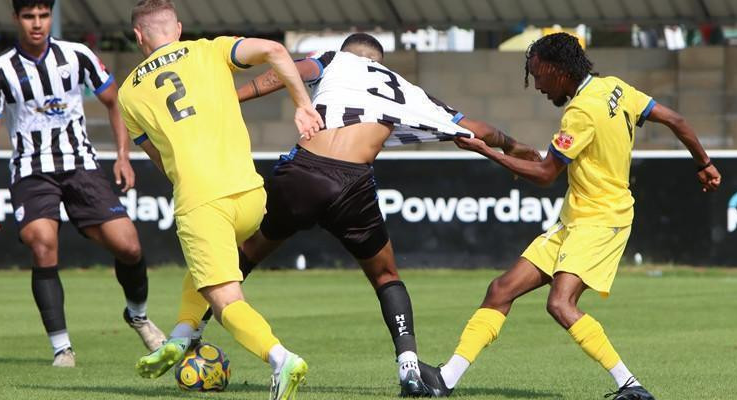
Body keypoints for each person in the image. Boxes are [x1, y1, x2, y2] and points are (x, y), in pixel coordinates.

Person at [172, 33, 541, 397]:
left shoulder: (334, 60)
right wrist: (514, 146)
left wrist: (232, 98)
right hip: (351, 185)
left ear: (347, 52)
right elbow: (477, 131)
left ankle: (189, 334)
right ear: (378, 62)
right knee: (385, 276)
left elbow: (289, 71)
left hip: (302, 173)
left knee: (243, 256)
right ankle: (409, 367)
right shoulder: (406, 90)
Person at [419, 32, 721, 399]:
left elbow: (547, 174)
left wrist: (487, 151)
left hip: (602, 220)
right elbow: (677, 119)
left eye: (539, 77)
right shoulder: (614, 88)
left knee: (560, 304)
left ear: (557, 70)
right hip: (575, 218)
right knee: (501, 289)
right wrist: (703, 164)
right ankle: (445, 380)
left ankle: (631, 386)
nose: (538, 87)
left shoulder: (580, 112)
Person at [116, 1, 323, 399]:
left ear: (138, 36)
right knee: (203, 266)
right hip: (250, 196)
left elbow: (159, 159)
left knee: (225, 296)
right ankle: (179, 337)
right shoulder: (210, 49)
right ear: (177, 28)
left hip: (201, 199)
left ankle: (281, 358)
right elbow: (277, 52)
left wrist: (188, 183)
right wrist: (302, 104)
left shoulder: (128, 93)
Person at [0, 0, 165, 367]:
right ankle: (62, 348)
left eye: (43, 15)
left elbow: (115, 101)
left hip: (82, 166)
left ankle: (138, 315)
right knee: (42, 242)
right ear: (17, 18)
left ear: (50, 17)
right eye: (29, 16)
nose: (37, 24)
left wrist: (122, 155)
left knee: (129, 247)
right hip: (32, 170)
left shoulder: (77, 56)